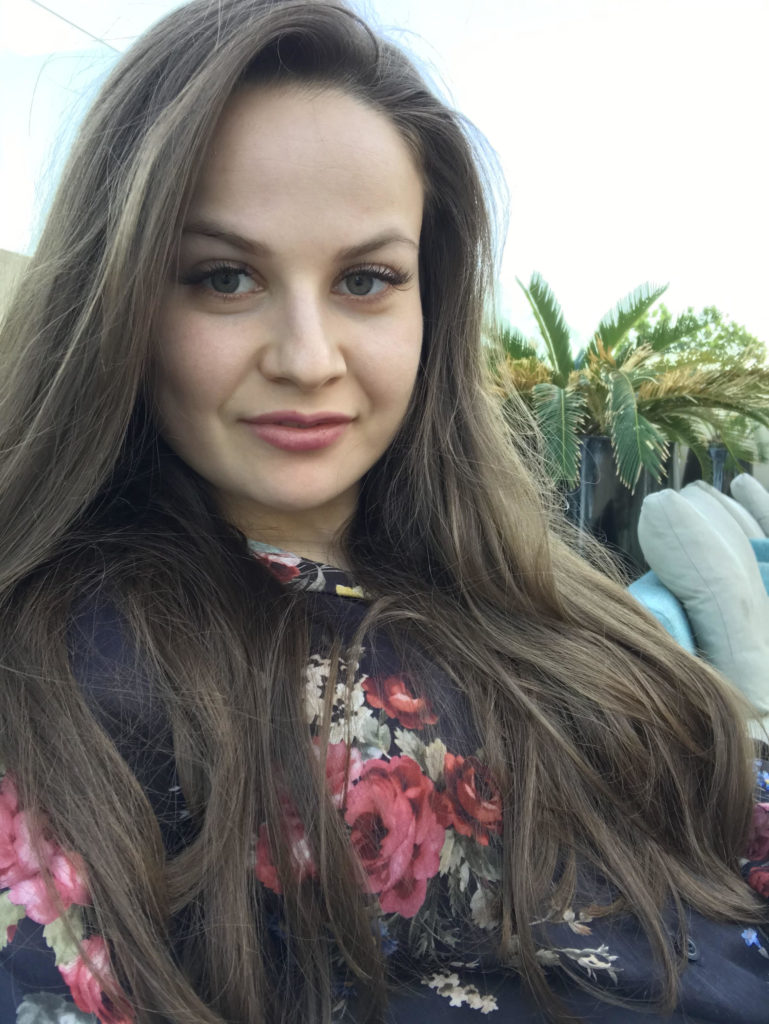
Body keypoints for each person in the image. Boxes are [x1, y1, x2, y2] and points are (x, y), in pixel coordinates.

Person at [0, 0, 768, 1021]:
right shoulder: (64, 686)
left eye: (365, 280)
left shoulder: (539, 589)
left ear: (429, 301)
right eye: (225, 278)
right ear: (123, 299)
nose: (308, 357)